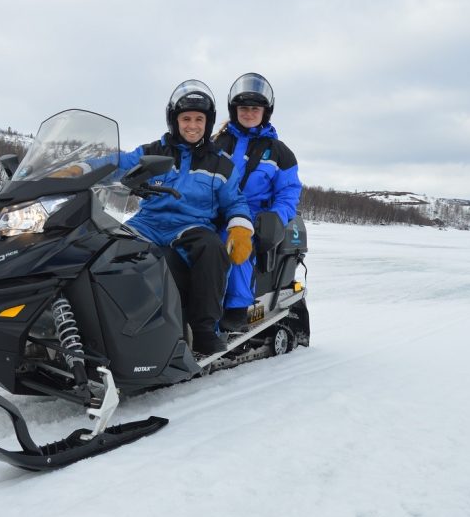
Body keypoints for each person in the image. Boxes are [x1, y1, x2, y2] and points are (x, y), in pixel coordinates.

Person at [60, 80, 254, 354]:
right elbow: (119, 163)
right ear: (174, 121)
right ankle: (95, 322)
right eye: (186, 118)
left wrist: (240, 227)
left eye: (199, 119)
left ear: (208, 124)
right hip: (148, 224)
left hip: (191, 227)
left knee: (212, 250)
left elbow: (235, 200)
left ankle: (204, 329)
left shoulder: (221, 163)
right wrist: (81, 170)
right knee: (102, 246)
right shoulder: (154, 151)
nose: (192, 125)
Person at [213, 73, 302, 331]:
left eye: (255, 108)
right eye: (244, 108)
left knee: (235, 243)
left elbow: (289, 192)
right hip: (215, 209)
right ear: (234, 110)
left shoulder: (280, 152)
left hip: (254, 216)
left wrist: (277, 216)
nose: (249, 113)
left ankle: (236, 308)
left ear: (265, 112)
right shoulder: (216, 143)